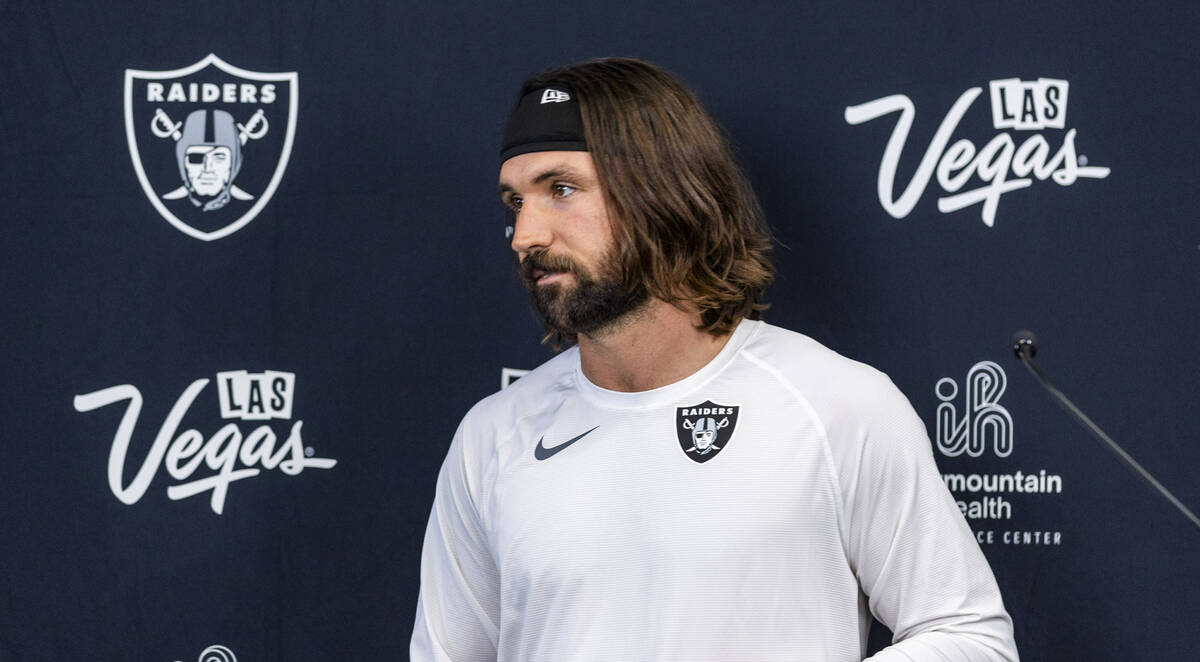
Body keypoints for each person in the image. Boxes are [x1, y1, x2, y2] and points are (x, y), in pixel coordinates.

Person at [411, 58, 1018, 661]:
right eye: (515, 202)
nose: (525, 235)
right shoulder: (490, 438)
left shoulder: (837, 407)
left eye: (561, 190)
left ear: (658, 191)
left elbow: (971, 640)